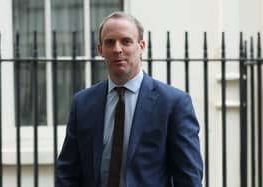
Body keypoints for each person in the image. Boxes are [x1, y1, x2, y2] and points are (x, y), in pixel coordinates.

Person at [55, 11, 203, 187]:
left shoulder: (173, 104)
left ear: (141, 46)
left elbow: (188, 178)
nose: (117, 49)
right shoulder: (83, 103)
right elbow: (67, 172)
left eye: (126, 41)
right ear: (100, 50)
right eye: (110, 42)